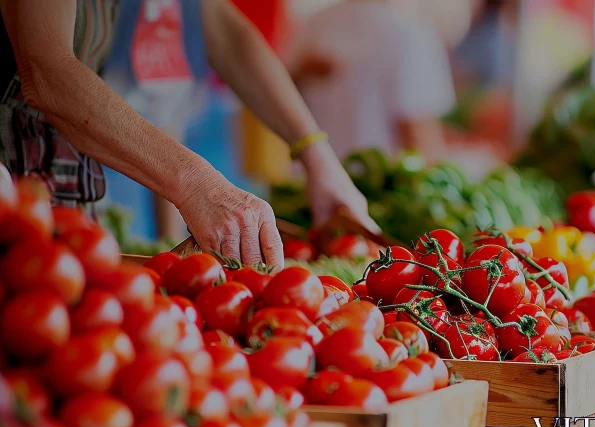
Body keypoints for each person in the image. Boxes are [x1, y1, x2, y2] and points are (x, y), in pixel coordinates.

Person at [0, 0, 378, 269]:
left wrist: (318, 156)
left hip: (63, 206)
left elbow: (223, 31)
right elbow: (46, 71)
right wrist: (197, 185)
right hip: (11, 189)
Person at [285, 0, 461, 160]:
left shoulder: (315, 24)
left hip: (312, 177)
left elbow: (286, 93)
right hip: (378, 185)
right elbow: (419, 135)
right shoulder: (409, 31)